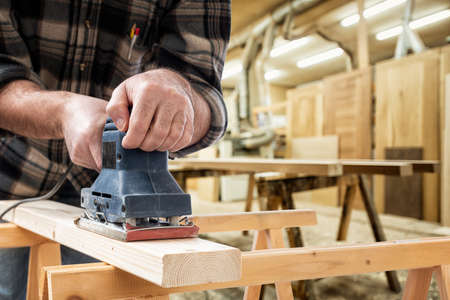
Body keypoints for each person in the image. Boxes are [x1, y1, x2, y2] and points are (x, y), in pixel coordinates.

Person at [0, 1, 230, 299]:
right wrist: (62, 112)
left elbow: (204, 88)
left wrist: (180, 93)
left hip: (112, 198)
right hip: (11, 177)